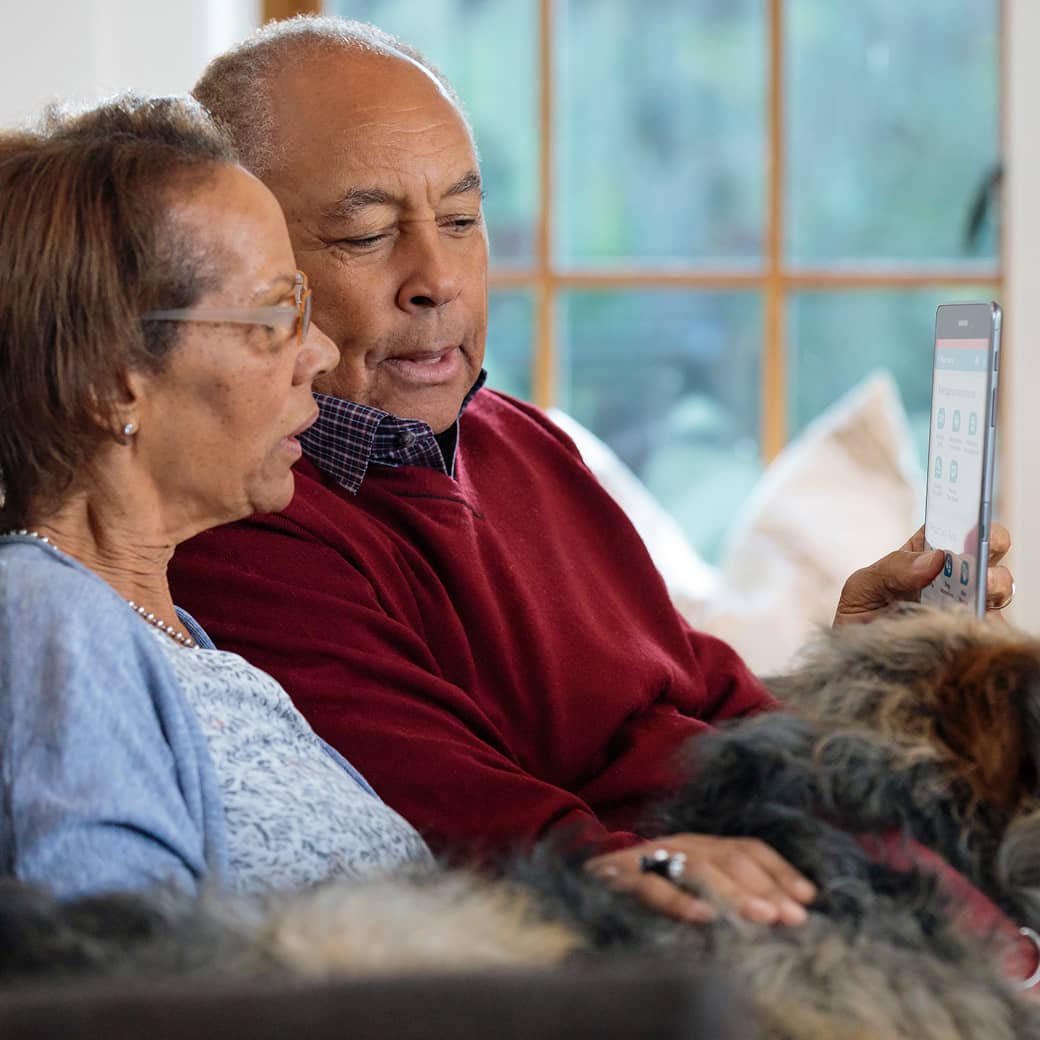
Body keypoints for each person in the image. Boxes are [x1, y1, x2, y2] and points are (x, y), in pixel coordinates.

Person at [172, 17, 1013, 927]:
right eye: (369, 235)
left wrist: (857, 667)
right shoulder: (245, 522)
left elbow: (711, 712)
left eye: (461, 220)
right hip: (708, 939)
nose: (438, 278)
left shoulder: (522, 439)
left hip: (853, 879)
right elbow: (484, 840)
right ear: (250, 271)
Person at [0, 94, 433, 901]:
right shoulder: (42, 615)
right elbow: (115, 985)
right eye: (275, 314)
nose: (320, 352)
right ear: (109, 383)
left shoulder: (174, 637)